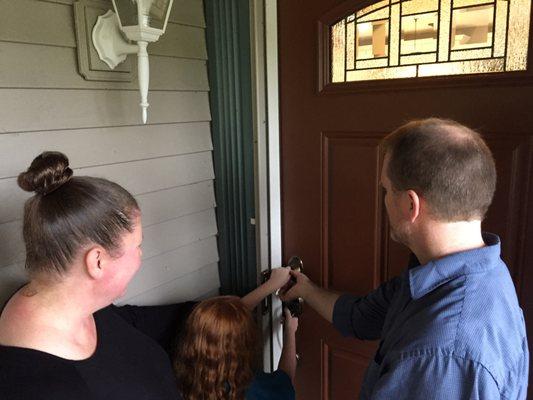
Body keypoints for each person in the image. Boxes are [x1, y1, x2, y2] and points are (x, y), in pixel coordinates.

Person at [281, 119, 529, 399]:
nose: (384, 199)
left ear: (411, 205)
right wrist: (304, 288)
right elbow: (361, 317)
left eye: (386, 190)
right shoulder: (471, 272)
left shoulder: (443, 355)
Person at [0, 151, 200, 399]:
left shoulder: (77, 305)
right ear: (97, 261)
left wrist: (212, 309)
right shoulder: (42, 387)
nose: (140, 254)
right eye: (137, 245)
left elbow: (129, 322)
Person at [175, 270, 298, 400]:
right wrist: (290, 331)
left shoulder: (187, 376)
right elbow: (286, 377)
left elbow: (221, 323)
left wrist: (271, 285)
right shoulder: (256, 391)